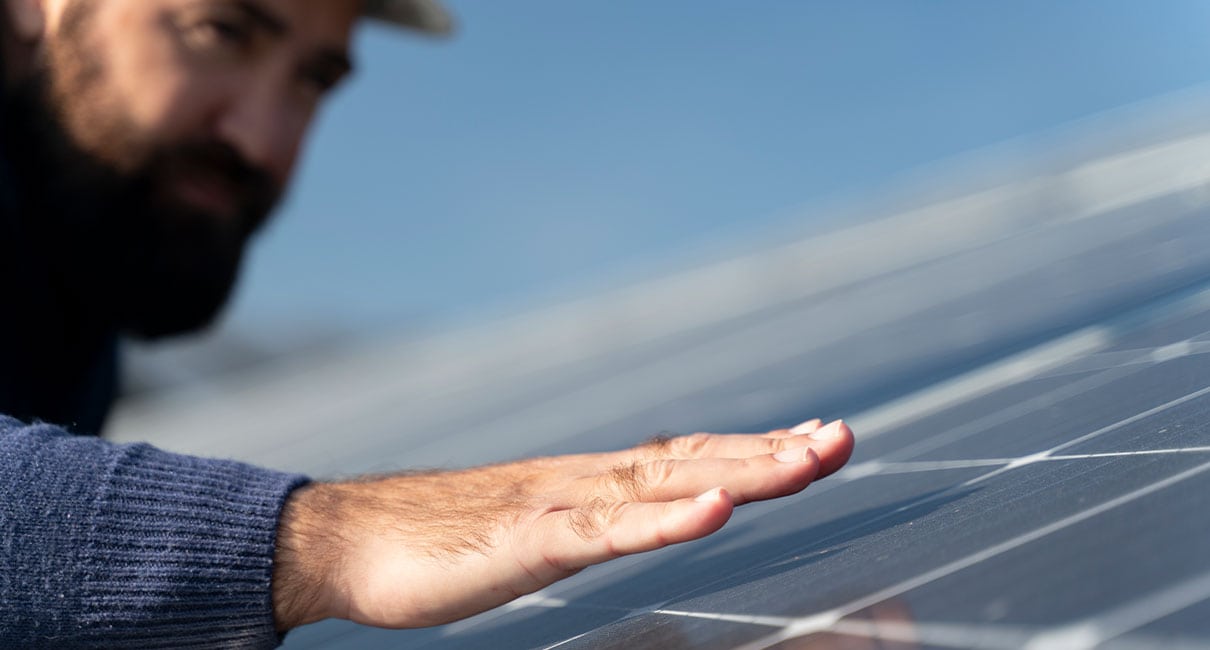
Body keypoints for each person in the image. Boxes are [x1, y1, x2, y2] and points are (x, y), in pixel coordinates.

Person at [0, 0, 856, 647]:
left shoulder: (73, 284)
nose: (261, 138)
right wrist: (317, 537)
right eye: (222, 31)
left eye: (311, 80)